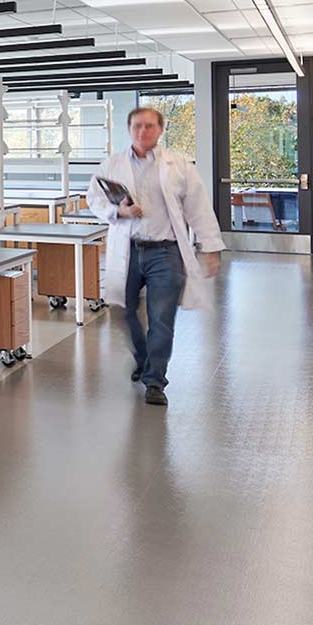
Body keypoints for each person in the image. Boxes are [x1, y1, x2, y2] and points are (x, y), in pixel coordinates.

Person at [85, 104, 224, 407]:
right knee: (124, 310)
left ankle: (155, 380)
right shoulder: (111, 164)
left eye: (149, 126)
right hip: (128, 249)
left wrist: (210, 248)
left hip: (166, 252)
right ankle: (144, 356)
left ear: (160, 130)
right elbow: (93, 199)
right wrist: (116, 211)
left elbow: (198, 207)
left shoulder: (179, 165)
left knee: (162, 319)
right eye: (137, 126)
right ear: (128, 129)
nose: (142, 131)